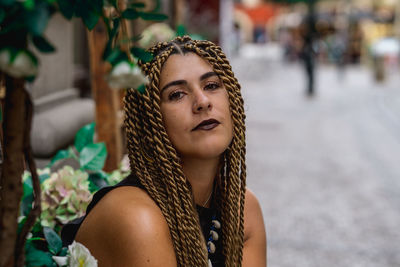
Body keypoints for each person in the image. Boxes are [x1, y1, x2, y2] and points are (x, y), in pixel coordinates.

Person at [61, 36, 266, 267]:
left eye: (211, 86)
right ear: (150, 121)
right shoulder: (137, 217)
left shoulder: (243, 207)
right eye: (176, 94)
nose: (202, 101)